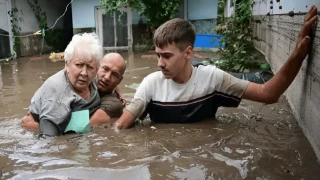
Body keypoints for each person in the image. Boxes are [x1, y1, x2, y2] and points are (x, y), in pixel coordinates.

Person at [113, 6, 318, 129]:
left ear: (188, 53)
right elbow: (121, 127)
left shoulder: (212, 78)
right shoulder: (151, 84)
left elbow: (269, 93)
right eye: (158, 55)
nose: (159, 63)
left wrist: (298, 55)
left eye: (166, 56)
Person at [21, 32, 109, 137]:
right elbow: (47, 140)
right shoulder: (56, 90)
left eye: (90, 67)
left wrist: (116, 90)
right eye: (79, 65)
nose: (84, 73)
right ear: (67, 64)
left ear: (96, 69)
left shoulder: (95, 80)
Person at [90, 53, 126, 121]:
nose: (107, 77)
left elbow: (84, 127)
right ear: (97, 67)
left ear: (119, 81)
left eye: (115, 75)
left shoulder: (114, 104)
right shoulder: (86, 80)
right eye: (105, 69)